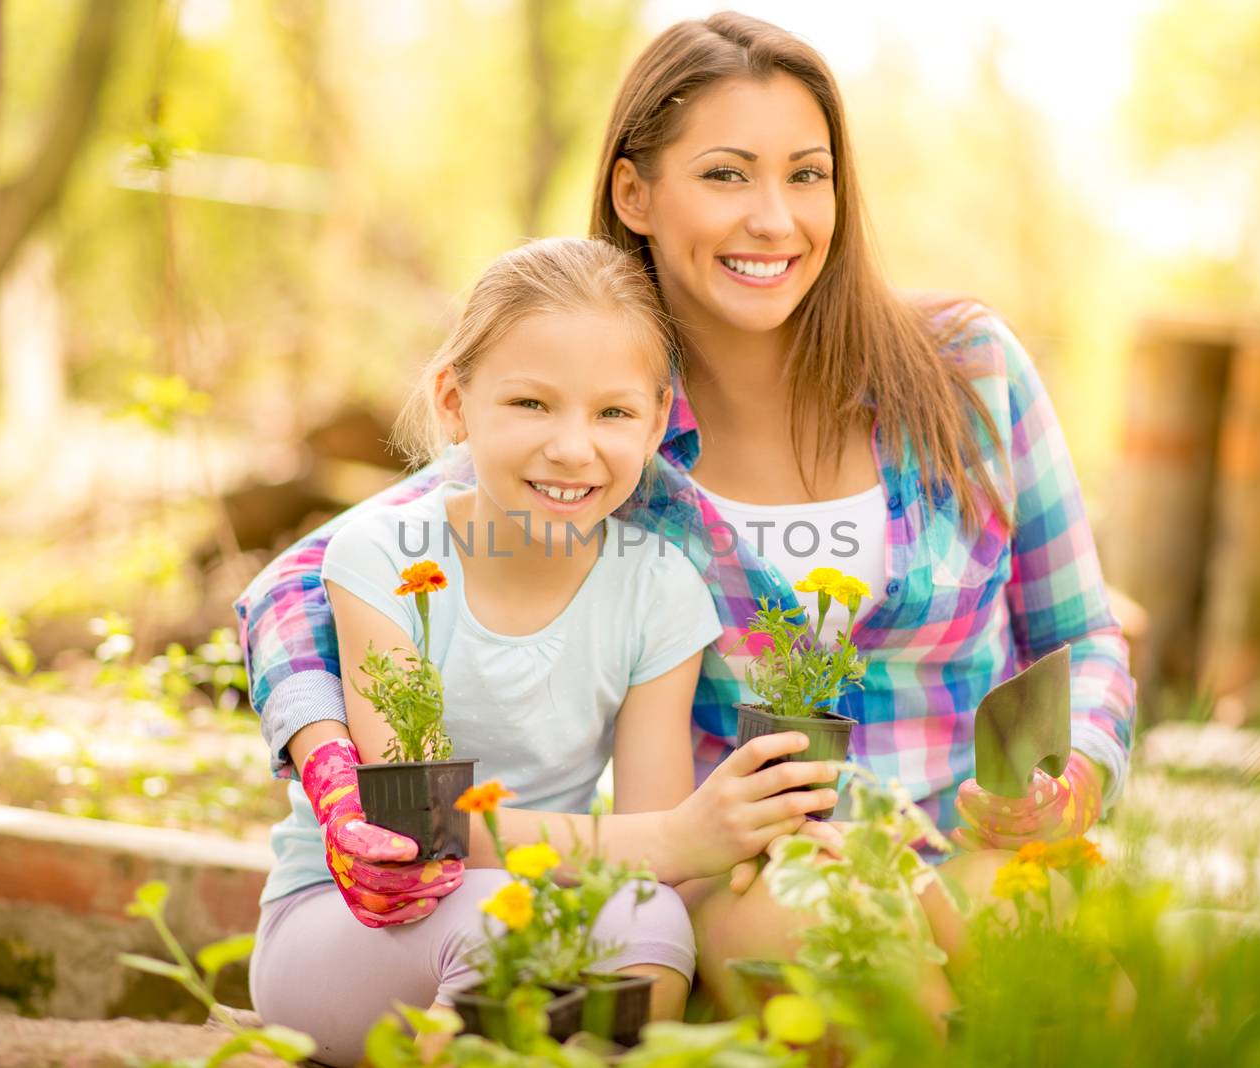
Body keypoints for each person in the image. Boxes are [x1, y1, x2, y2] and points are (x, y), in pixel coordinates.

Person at [240, 9, 1134, 1040]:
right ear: (635, 192)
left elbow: (1082, 635)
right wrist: (333, 767)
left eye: (807, 174)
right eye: (725, 175)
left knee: (1083, 981)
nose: (774, 218)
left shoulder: (965, 372)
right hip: (756, 871)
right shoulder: (609, 432)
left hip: (973, 843)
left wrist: (1078, 774)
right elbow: (311, 581)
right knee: (848, 958)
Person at [247, 236, 843, 1065]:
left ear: (659, 418)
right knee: (504, 928)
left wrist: (754, 838)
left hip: (534, 898)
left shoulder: (659, 589)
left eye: (613, 412)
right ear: (456, 403)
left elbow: (650, 838)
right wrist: (676, 838)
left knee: (652, 920)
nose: (573, 447)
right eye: (531, 405)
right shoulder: (384, 555)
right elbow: (420, 829)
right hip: (356, 924)